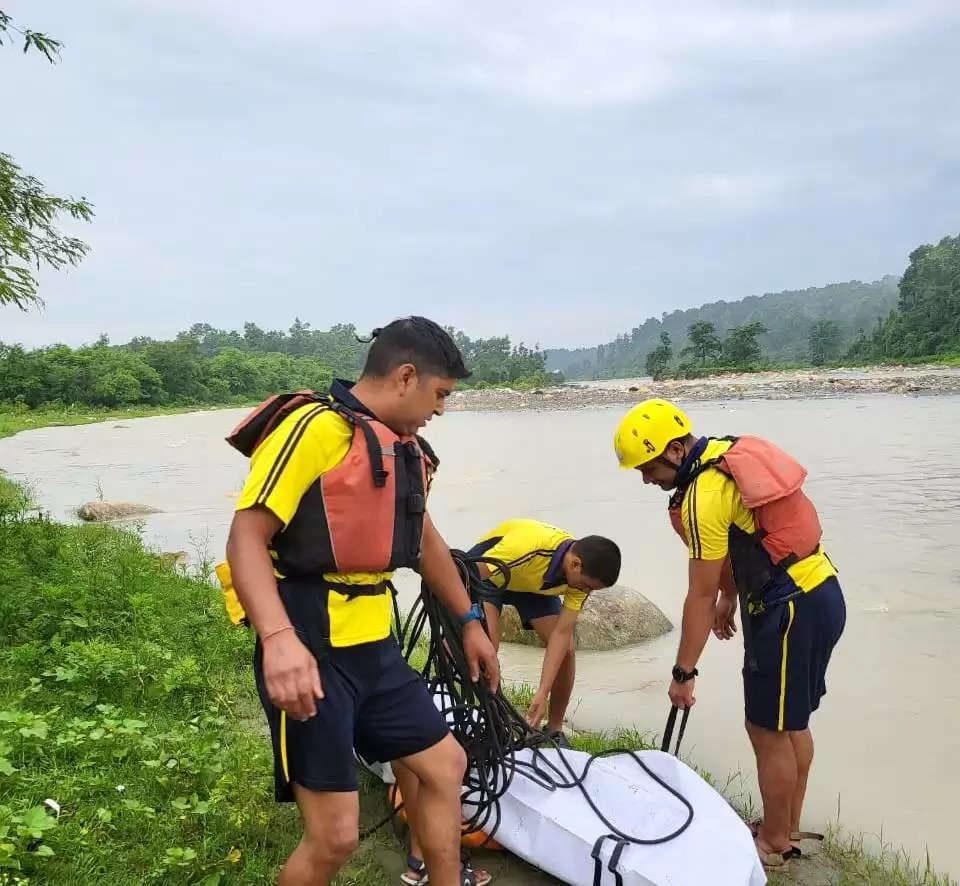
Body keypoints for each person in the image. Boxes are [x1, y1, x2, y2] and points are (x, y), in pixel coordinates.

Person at [224, 317, 500, 886]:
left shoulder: (406, 451)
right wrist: (278, 642)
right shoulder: (313, 430)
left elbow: (426, 543)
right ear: (405, 377)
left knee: (446, 765)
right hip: (310, 642)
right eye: (440, 394)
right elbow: (245, 537)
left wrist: (470, 622)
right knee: (335, 837)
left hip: (375, 647)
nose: (441, 410)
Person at [613, 399, 845, 870]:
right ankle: (787, 827)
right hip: (821, 590)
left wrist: (683, 673)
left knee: (766, 728)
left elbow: (696, 595)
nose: (645, 479)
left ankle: (774, 843)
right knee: (790, 722)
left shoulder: (702, 494)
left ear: (676, 450)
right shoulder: (725, 452)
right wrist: (730, 598)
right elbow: (751, 538)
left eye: (648, 466)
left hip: (787, 610)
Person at [469, 519, 621, 735]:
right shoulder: (529, 545)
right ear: (575, 564)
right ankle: (491, 717)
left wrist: (542, 692)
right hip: (490, 576)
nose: (586, 591)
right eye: (587, 586)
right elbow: (467, 578)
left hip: (533, 588)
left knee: (566, 650)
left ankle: (554, 729)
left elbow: (561, 633)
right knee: (486, 646)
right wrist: (466, 622)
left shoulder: (580, 579)